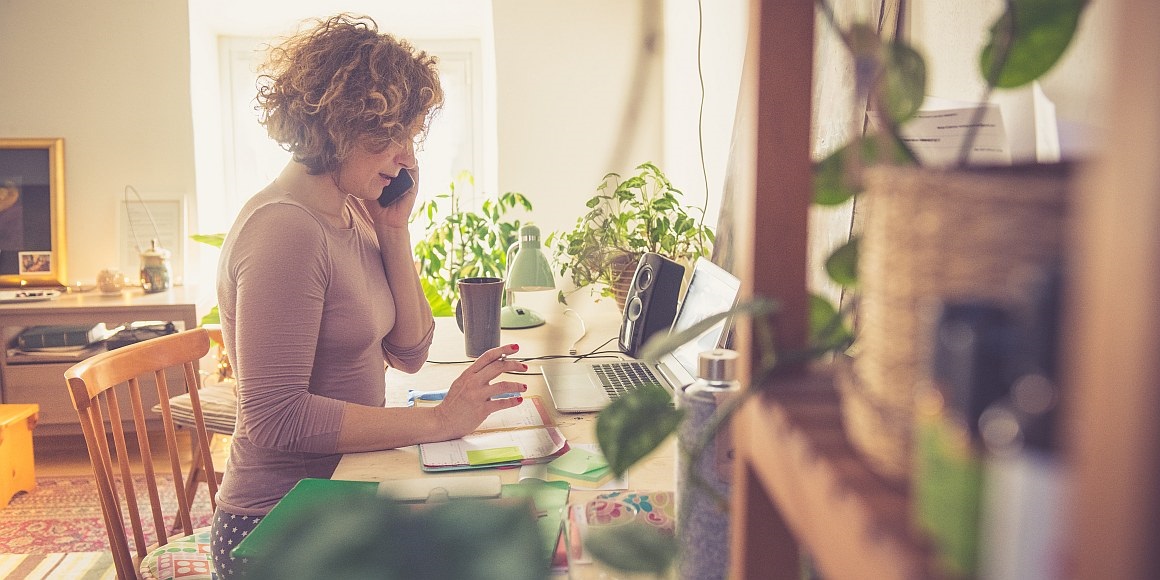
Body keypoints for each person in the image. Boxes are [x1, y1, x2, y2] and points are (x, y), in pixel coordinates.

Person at [209, 14, 528, 576]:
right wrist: (438, 422)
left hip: (343, 496)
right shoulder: (286, 229)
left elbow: (410, 351)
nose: (408, 158)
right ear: (340, 126)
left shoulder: (354, 212)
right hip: (279, 524)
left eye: (411, 136)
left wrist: (394, 230)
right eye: (393, 136)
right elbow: (274, 417)